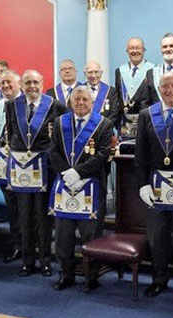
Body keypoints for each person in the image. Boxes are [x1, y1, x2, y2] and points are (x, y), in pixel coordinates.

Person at [135, 72, 173, 299]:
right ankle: (159, 279)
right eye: (165, 86)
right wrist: (142, 184)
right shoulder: (146, 115)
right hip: (156, 185)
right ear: (159, 89)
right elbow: (140, 154)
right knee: (157, 237)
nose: (169, 90)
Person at [48, 85, 115, 291]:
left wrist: (79, 173)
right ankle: (65, 274)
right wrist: (66, 174)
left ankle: (91, 276)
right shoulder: (60, 122)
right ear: (70, 102)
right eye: (76, 99)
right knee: (63, 237)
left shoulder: (104, 124)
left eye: (85, 99)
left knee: (91, 236)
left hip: (91, 186)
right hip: (65, 186)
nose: (81, 103)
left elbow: (103, 154)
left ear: (92, 102)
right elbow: (53, 151)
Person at [6, 70, 67, 277]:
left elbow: (61, 137)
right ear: (21, 85)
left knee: (43, 218)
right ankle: (27, 261)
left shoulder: (55, 105)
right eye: (27, 82)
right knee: (24, 217)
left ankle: (46, 261)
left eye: (35, 82)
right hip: (21, 170)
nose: (32, 86)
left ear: (42, 83)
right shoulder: (13, 105)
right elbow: (11, 133)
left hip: (44, 168)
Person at [0, 71, 26, 263]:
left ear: (19, 83)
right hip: (3, 163)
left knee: (25, 208)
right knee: (12, 208)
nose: (5, 86)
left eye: (9, 82)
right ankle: (16, 245)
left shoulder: (26, 104)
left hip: (24, 165)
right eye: (2, 83)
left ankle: (29, 246)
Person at [111, 37, 155, 132]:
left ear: (144, 50)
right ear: (127, 51)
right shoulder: (119, 71)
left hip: (147, 123)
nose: (135, 51)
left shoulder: (153, 70)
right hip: (125, 125)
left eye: (138, 48)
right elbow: (118, 98)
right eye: (131, 48)